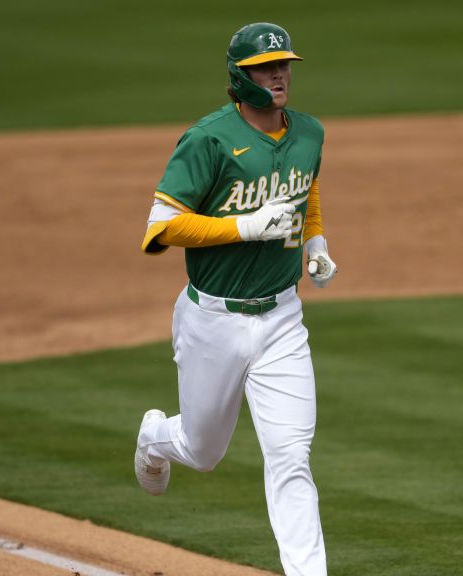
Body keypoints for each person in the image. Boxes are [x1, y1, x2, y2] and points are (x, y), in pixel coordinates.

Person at [133, 22, 337, 576]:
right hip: (213, 320)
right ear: (239, 77)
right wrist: (243, 229)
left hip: (282, 320)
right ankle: (155, 434)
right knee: (203, 452)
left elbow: (306, 191)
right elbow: (160, 226)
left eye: (284, 65)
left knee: (291, 457)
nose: (279, 75)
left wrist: (314, 243)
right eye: (265, 68)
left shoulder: (310, 133)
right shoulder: (209, 139)